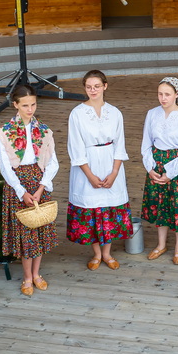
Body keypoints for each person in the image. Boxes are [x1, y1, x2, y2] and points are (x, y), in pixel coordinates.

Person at [66, 69, 132, 271]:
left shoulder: (115, 112)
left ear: (105, 86)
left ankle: (107, 253)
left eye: (96, 86)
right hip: (88, 164)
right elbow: (75, 147)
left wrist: (114, 173)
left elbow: (120, 145)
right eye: (88, 87)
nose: (92, 90)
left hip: (111, 162)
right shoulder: (77, 113)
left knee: (109, 208)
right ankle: (96, 254)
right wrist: (90, 176)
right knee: (92, 208)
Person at [0, 85, 60, 296]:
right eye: (25, 105)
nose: (30, 109)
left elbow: (53, 161)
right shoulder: (6, 132)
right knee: (26, 234)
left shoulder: (43, 130)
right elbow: (5, 166)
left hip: (38, 181)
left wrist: (42, 186)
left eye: (33, 104)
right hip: (19, 184)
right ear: (15, 105)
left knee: (39, 229)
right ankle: (26, 276)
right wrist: (20, 191)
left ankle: (36, 274)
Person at [141, 76, 178, 264]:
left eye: (167, 94)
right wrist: (150, 167)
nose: (163, 98)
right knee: (160, 205)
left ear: (176, 95)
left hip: (177, 167)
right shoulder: (152, 114)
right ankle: (161, 244)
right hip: (156, 163)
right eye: (160, 94)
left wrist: (170, 173)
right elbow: (146, 143)